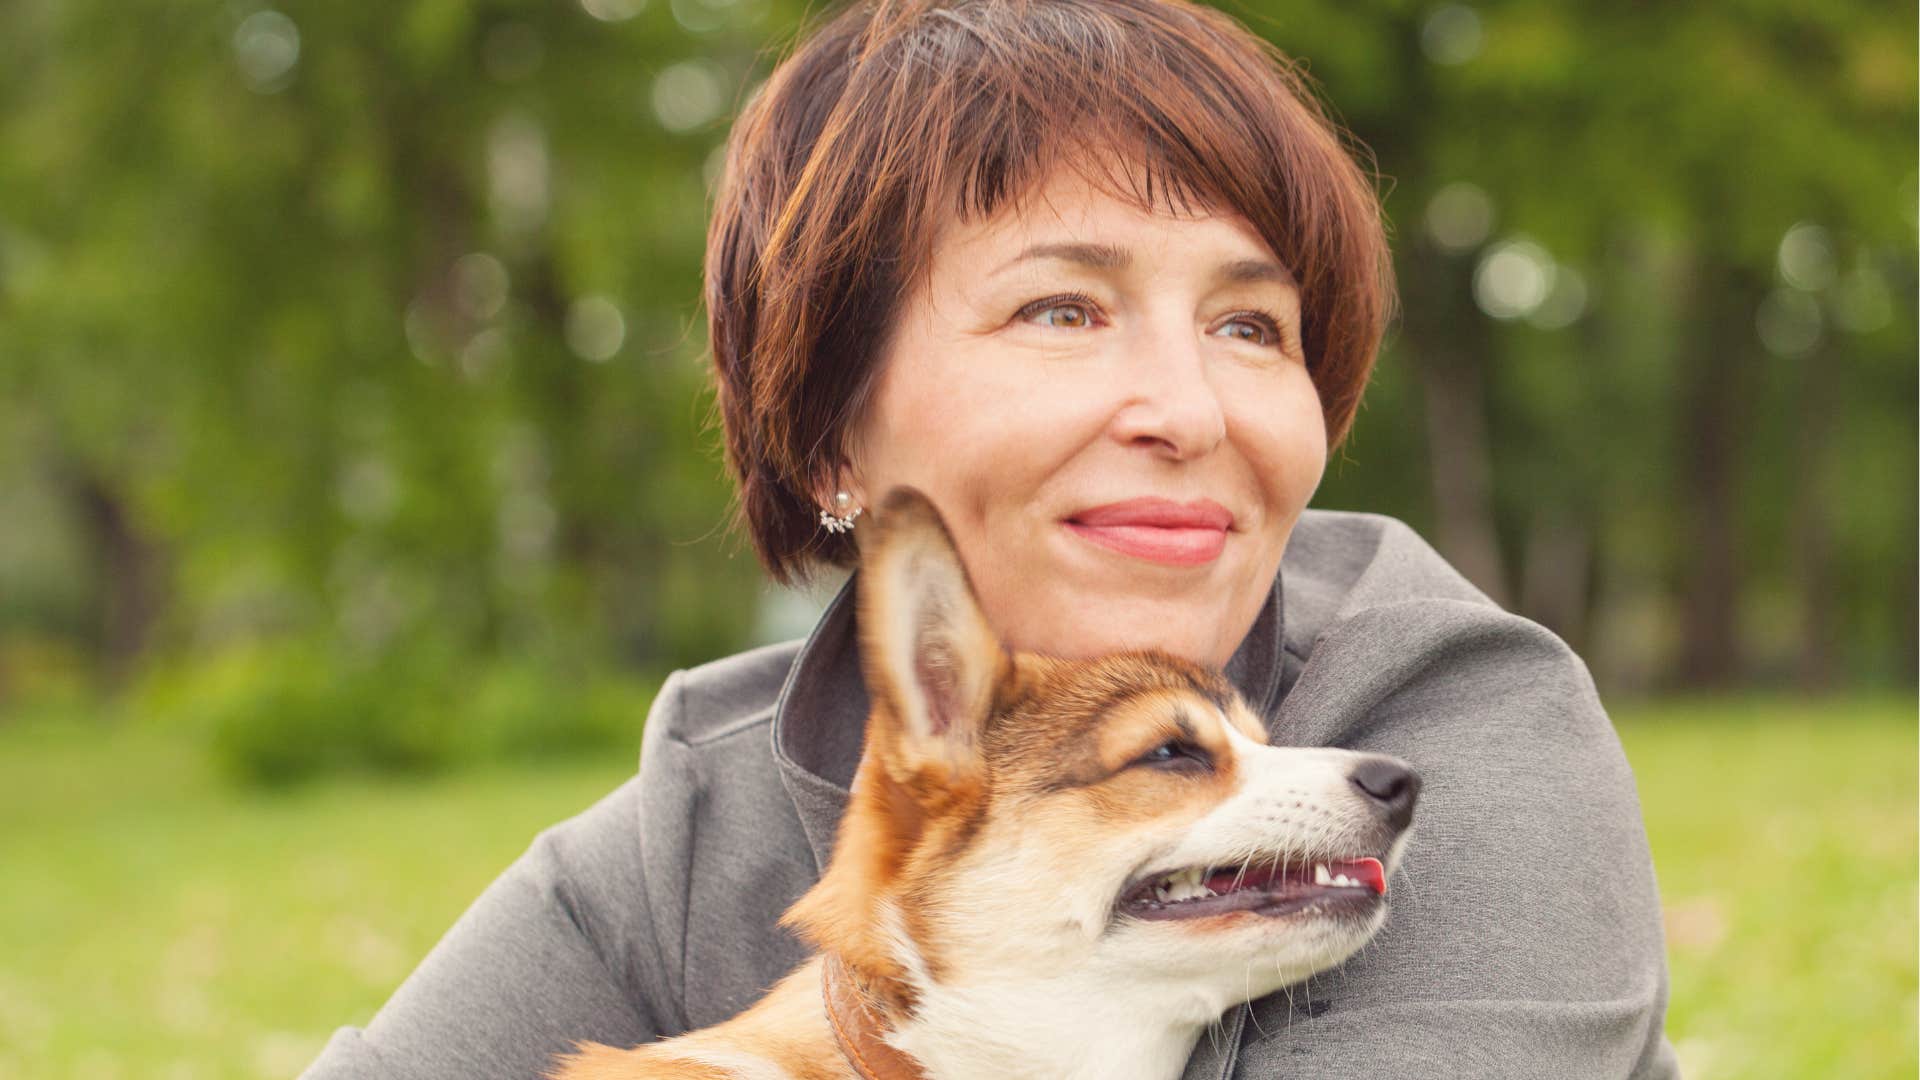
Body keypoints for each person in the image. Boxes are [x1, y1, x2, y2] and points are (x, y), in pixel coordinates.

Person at [302, 0, 1679, 1076]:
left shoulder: (1457, 728)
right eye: (1064, 309)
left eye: (1249, 326)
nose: (1190, 408)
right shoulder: (698, 826)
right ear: (832, 430)